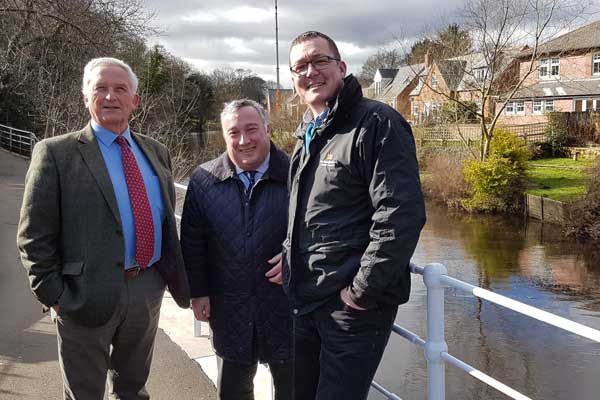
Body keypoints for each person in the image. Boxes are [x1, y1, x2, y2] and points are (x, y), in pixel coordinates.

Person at [16, 57, 190, 400]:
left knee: (134, 390)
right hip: (82, 296)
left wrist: (163, 281)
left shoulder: (156, 152)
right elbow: (33, 237)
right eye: (100, 88)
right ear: (85, 97)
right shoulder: (55, 153)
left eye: (120, 89)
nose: (110, 96)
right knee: (84, 394)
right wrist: (57, 297)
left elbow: (165, 220)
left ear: (135, 100)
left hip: (146, 290)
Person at [282, 31, 427, 400]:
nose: (310, 71)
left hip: (351, 308)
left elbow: (400, 215)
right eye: (300, 66)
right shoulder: (308, 136)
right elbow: (309, 212)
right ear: (293, 79)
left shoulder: (377, 123)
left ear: (342, 68)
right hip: (307, 299)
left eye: (320, 61)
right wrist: (287, 256)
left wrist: (361, 291)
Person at [180, 99, 292, 400]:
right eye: (234, 132)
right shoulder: (204, 180)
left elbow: (319, 228)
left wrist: (297, 257)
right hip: (230, 308)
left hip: (286, 306)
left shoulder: (297, 173)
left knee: (294, 389)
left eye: (252, 129)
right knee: (233, 390)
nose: (244, 140)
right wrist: (198, 292)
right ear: (224, 136)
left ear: (268, 130)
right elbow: (193, 242)